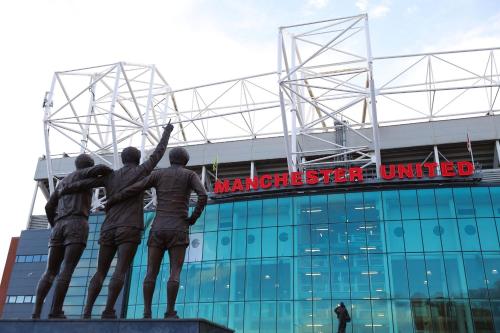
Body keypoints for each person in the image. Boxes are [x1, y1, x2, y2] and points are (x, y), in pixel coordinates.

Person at [60, 122, 174, 319]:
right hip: (129, 227)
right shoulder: (141, 171)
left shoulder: (110, 176)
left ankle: (87, 310)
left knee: (100, 271)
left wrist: (64, 188)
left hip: (108, 227)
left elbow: (84, 183)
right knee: (120, 270)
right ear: (138, 159)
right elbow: (158, 153)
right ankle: (108, 310)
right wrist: (167, 131)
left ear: (122, 159)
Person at [106, 147, 207, 319]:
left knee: (151, 271)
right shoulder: (190, 175)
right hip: (178, 228)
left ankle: (146, 312)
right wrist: (193, 218)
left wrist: (113, 199)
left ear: (170, 159)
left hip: (158, 228)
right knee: (174, 272)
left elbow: (135, 188)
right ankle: (169, 311)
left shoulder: (159, 175)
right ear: (186, 161)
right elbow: (203, 195)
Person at [32, 154, 113, 319]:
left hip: (59, 225)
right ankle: (56, 310)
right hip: (77, 223)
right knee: (67, 269)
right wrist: (99, 175)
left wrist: (55, 223)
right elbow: (103, 170)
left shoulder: (62, 182)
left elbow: (49, 206)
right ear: (88, 166)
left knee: (49, 272)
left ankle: (37, 311)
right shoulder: (84, 174)